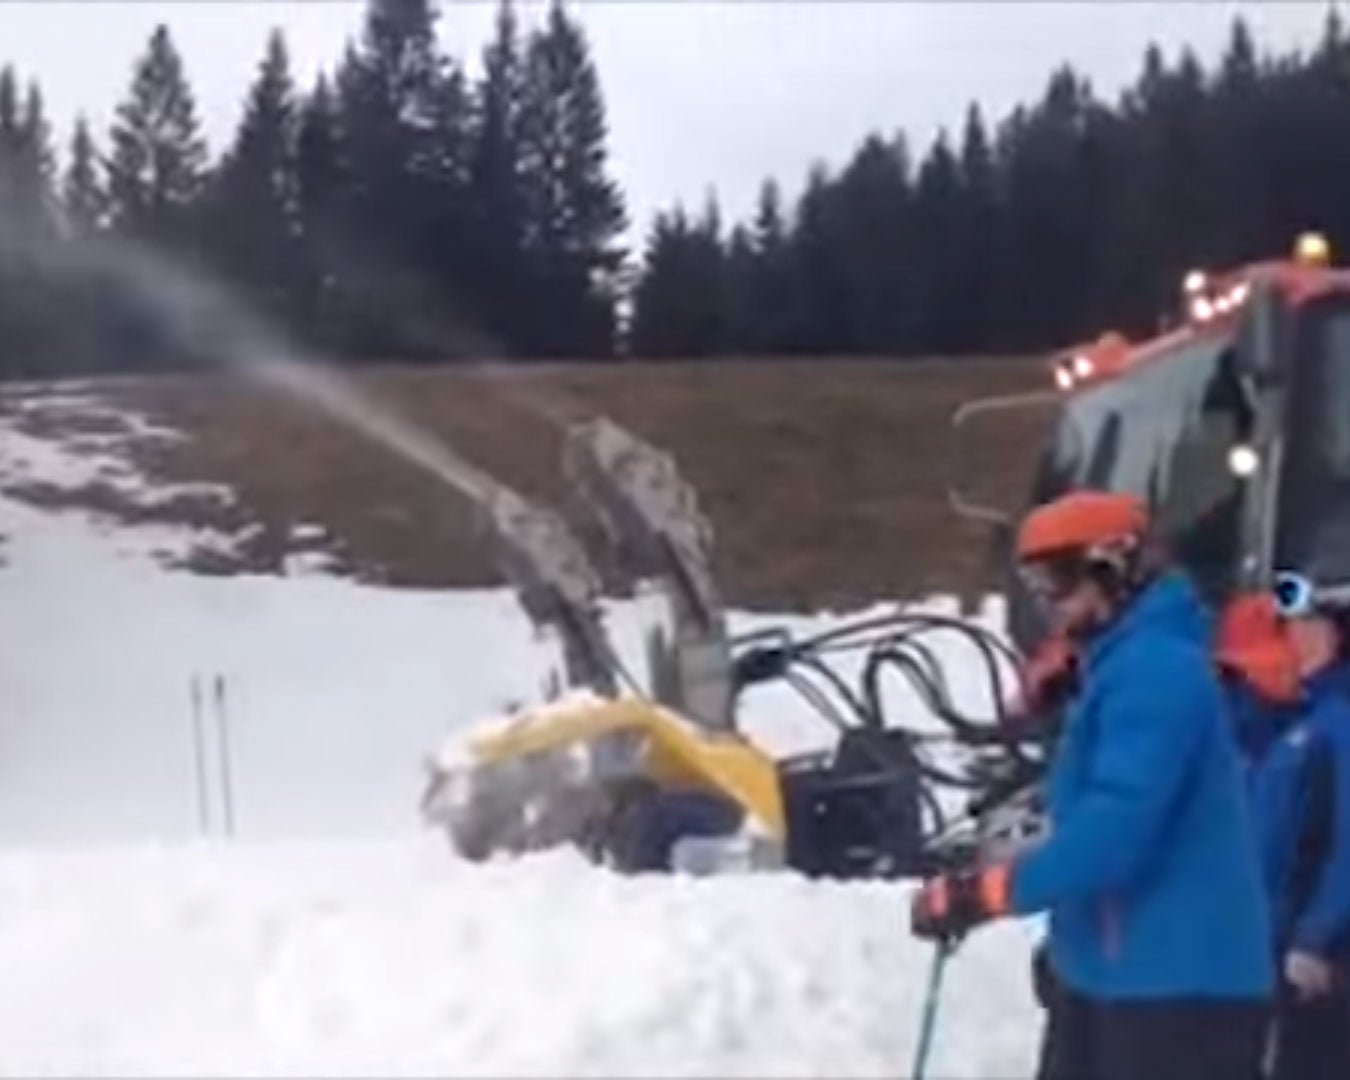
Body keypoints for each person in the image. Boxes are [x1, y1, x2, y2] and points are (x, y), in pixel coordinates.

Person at [910, 489, 1273, 1080]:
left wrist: (993, 893)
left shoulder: (1159, 669)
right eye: (1035, 584)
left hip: (1178, 986)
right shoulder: (1113, 667)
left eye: (1059, 580)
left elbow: (1115, 829)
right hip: (1113, 971)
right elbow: (1077, 810)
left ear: (1114, 569)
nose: (1048, 602)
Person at [1215, 588, 1350, 1080]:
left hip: (1319, 962)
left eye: (1310, 622)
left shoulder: (1332, 725)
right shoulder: (1294, 727)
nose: (1297, 634)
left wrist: (1315, 937)